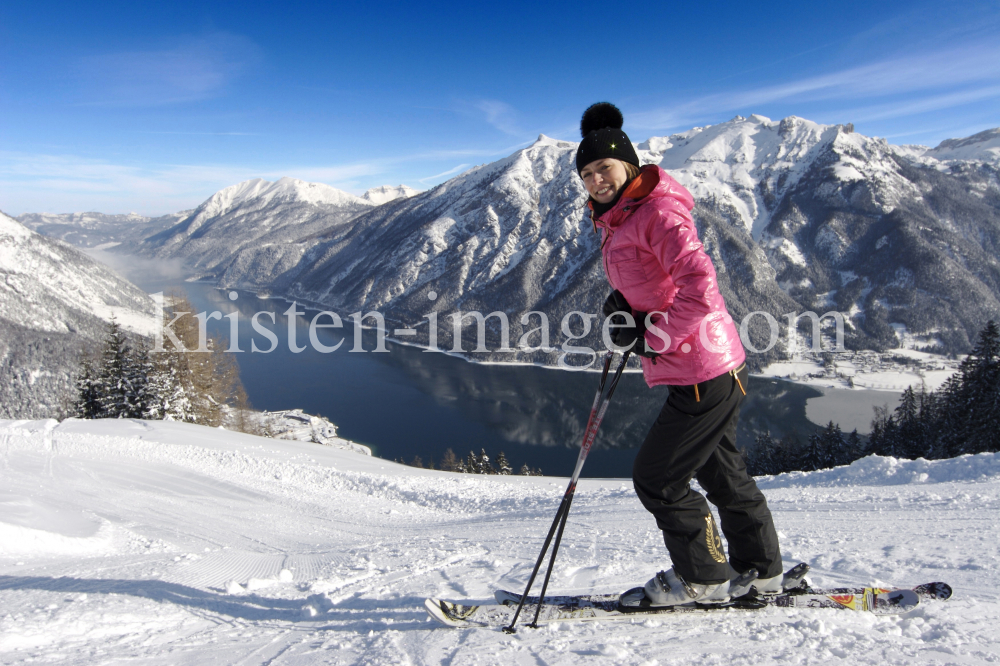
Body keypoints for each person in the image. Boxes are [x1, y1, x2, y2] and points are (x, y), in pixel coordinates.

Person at [576, 102, 783, 605]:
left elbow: (701, 287)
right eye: (586, 173)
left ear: (628, 164)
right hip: (709, 364)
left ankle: (703, 578)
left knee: (657, 478)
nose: (596, 179)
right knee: (721, 473)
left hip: (700, 368)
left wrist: (653, 337)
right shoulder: (620, 217)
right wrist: (626, 307)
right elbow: (657, 282)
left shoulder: (657, 212)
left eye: (604, 167)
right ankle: (760, 572)